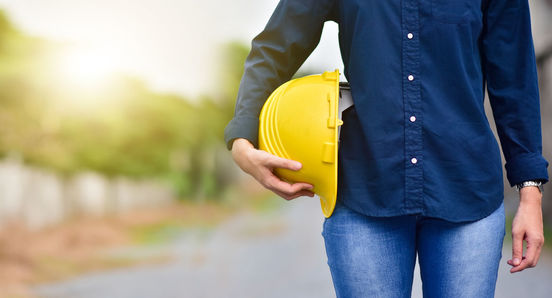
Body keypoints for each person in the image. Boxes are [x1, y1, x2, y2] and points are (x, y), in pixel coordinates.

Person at [224, 0, 549, 297]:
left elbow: (514, 77)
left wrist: (530, 193)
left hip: (467, 193)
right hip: (365, 191)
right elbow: (276, 47)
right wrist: (242, 138)